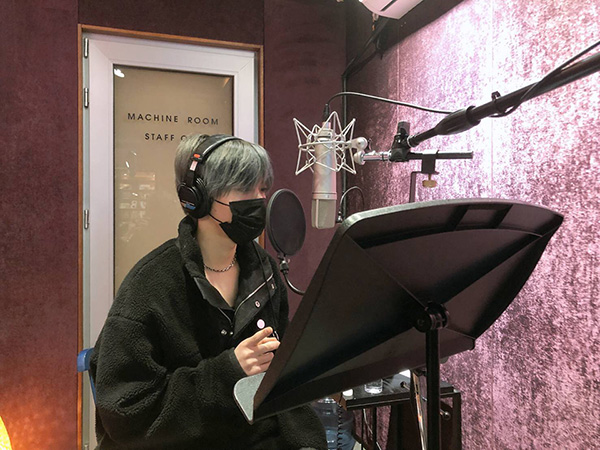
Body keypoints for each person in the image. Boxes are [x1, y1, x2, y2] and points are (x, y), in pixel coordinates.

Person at [90, 134, 327, 449]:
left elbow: (280, 383)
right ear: (198, 198)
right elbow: (125, 412)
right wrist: (227, 373)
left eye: (262, 189)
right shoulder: (149, 286)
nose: (259, 201)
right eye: (245, 189)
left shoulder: (264, 271)